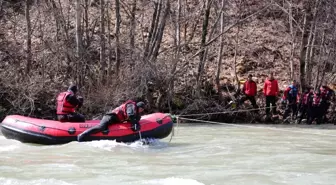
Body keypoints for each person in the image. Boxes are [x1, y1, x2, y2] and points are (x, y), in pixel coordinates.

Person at [77, 100, 146, 142]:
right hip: (110, 117)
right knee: (101, 127)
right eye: (141, 109)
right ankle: (82, 135)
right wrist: (135, 122)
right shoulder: (131, 106)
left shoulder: (136, 112)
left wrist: (136, 123)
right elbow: (130, 115)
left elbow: (136, 118)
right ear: (138, 107)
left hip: (116, 120)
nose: (142, 111)